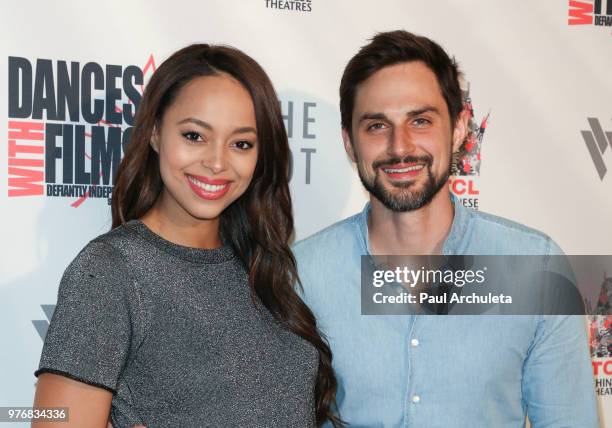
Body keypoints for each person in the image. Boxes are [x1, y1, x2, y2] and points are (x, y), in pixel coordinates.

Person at [293, 30, 599, 427]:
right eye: (376, 126)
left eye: (420, 121)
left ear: (458, 130)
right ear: (349, 143)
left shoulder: (535, 269)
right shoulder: (302, 275)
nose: (399, 146)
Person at [33, 44, 340, 428]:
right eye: (195, 135)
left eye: (241, 143)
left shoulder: (261, 265)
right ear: (157, 133)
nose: (216, 162)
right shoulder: (110, 273)